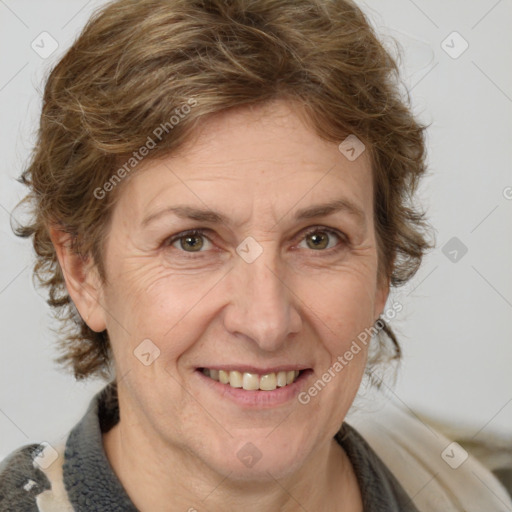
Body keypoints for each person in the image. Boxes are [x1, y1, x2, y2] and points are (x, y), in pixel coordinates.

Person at [0, 0, 510, 510]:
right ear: (84, 271)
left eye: (318, 239)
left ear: (382, 266)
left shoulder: (487, 489)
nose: (266, 323)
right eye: (192, 240)